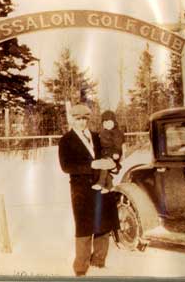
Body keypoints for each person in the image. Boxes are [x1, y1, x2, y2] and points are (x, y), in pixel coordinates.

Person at [58, 104, 120, 276]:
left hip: (102, 185)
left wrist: (113, 164)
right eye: (78, 119)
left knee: (104, 224)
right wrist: (91, 165)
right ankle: (81, 269)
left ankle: (99, 263)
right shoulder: (66, 140)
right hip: (81, 189)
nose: (82, 122)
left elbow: (109, 154)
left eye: (84, 119)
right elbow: (66, 166)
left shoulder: (96, 136)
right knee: (84, 228)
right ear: (72, 120)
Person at [92, 110, 124, 193]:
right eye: (105, 123)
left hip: (112, 152)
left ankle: (101, 183)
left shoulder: (117, 133)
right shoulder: (103, 132)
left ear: (114, 122)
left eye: (109, 122)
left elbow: (118, 144)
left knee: (104, 166)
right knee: (104, 169)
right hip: (104, 153)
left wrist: (116, 153)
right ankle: (109, 186)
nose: (107, 125)